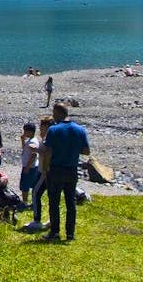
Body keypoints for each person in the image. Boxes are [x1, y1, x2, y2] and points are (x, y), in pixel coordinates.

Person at [43, 103, 91, 242]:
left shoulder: (53, 129)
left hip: (56, 169)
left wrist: (45, 169)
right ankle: (70, 233)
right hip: (71, 170)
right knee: (71, 202)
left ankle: (55, 232)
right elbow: (86, 151)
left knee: (54, 202)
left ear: (58, 113)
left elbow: (48, 152)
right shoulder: (80, 130)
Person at [25, 116, 54, 232]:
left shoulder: (48, 140)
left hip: (45, 172)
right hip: (43, 170)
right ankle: (52, 220)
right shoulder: (47, 138)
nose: (40, 129)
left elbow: (47, 153)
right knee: (51, 196)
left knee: (36, 193)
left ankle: (37, 220)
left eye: (42, 127)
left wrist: (37, 150)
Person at [19, 122, 41, 205]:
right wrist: (23, 140)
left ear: (30, 132)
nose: (24, 132)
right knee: (32, 184)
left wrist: (27, 167)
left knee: (25, 185)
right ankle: (32, 201)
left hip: (30, 167)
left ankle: (25, 202)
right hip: (32, 166)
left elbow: (33, 155)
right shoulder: (30, 140)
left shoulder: (32, 142)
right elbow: (25, 148)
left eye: (25, 131)